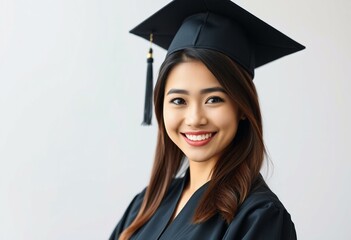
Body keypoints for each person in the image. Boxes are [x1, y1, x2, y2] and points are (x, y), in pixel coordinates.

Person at [110, 0, 305, 239]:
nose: (194, 119)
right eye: (179, 101)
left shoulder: (259, 217)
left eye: (213, 99)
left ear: (242, 107)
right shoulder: (146, 203)